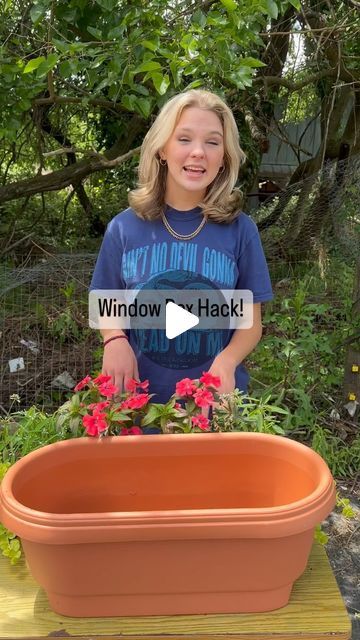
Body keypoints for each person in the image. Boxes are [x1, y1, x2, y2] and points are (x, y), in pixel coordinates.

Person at [90, 89, 273, 403]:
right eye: (184, 139)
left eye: (213, 142)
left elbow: (251, 324)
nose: (198, 152)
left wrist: (227, 363)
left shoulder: (241, 231)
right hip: (138, 407)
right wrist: (114, 338)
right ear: (162, 149)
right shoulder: (124, 228)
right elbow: (105, 300)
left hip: (213, 405)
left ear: (224, 157)